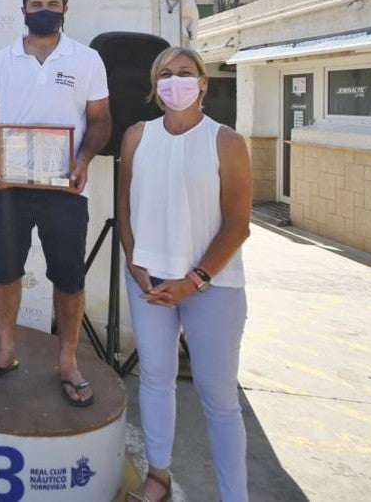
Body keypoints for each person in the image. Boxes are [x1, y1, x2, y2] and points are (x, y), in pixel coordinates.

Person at [117, 47, 252, 502]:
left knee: (219, 397)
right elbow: (125, 204)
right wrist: (134, 261)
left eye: (185, 73)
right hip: (149, 283)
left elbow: (238, 224)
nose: (175, 81)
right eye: (166, 75)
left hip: (212, 287)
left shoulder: (226, 141)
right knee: (156, 379)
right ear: (155, 87)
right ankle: (158, 477)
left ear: (203, 82)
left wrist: (193, 281)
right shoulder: (137, 136)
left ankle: (234, 494)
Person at [0, 0, 111, 406]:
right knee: (5, 271)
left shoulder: (88, 60)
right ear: (23, 11)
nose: (44, 9)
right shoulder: (0, 61)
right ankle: (5, 350)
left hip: (65, 187)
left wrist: (84, 160)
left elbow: (101, 120)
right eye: (36, 3)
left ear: (65, 9)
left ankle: (68, 361)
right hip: (9, 185)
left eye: (52, 2)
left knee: (69, 278)